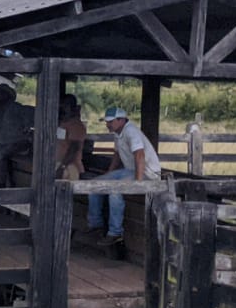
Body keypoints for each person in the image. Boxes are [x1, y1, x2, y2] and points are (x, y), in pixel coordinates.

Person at [87, 106, 162, 246]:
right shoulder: (118, 132)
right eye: (107, 121)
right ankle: (95, 225)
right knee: (93, 184)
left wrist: (138, 183)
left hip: (148, 174)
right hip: (131, 170)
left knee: (115, 191)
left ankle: (115, 233)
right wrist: (109, 173)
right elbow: (117, 154)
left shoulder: (131, 132)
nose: (107, 124)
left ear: (121, 120)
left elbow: (139, 155)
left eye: (110, 121)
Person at [55, 94, 86, 180]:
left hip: (70, 168)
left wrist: (62, 167)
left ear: (72, 107)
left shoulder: (76, 125)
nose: (61, 108)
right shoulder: (63, 123)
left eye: (65, 105)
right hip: (59, 164)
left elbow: (74, 148)